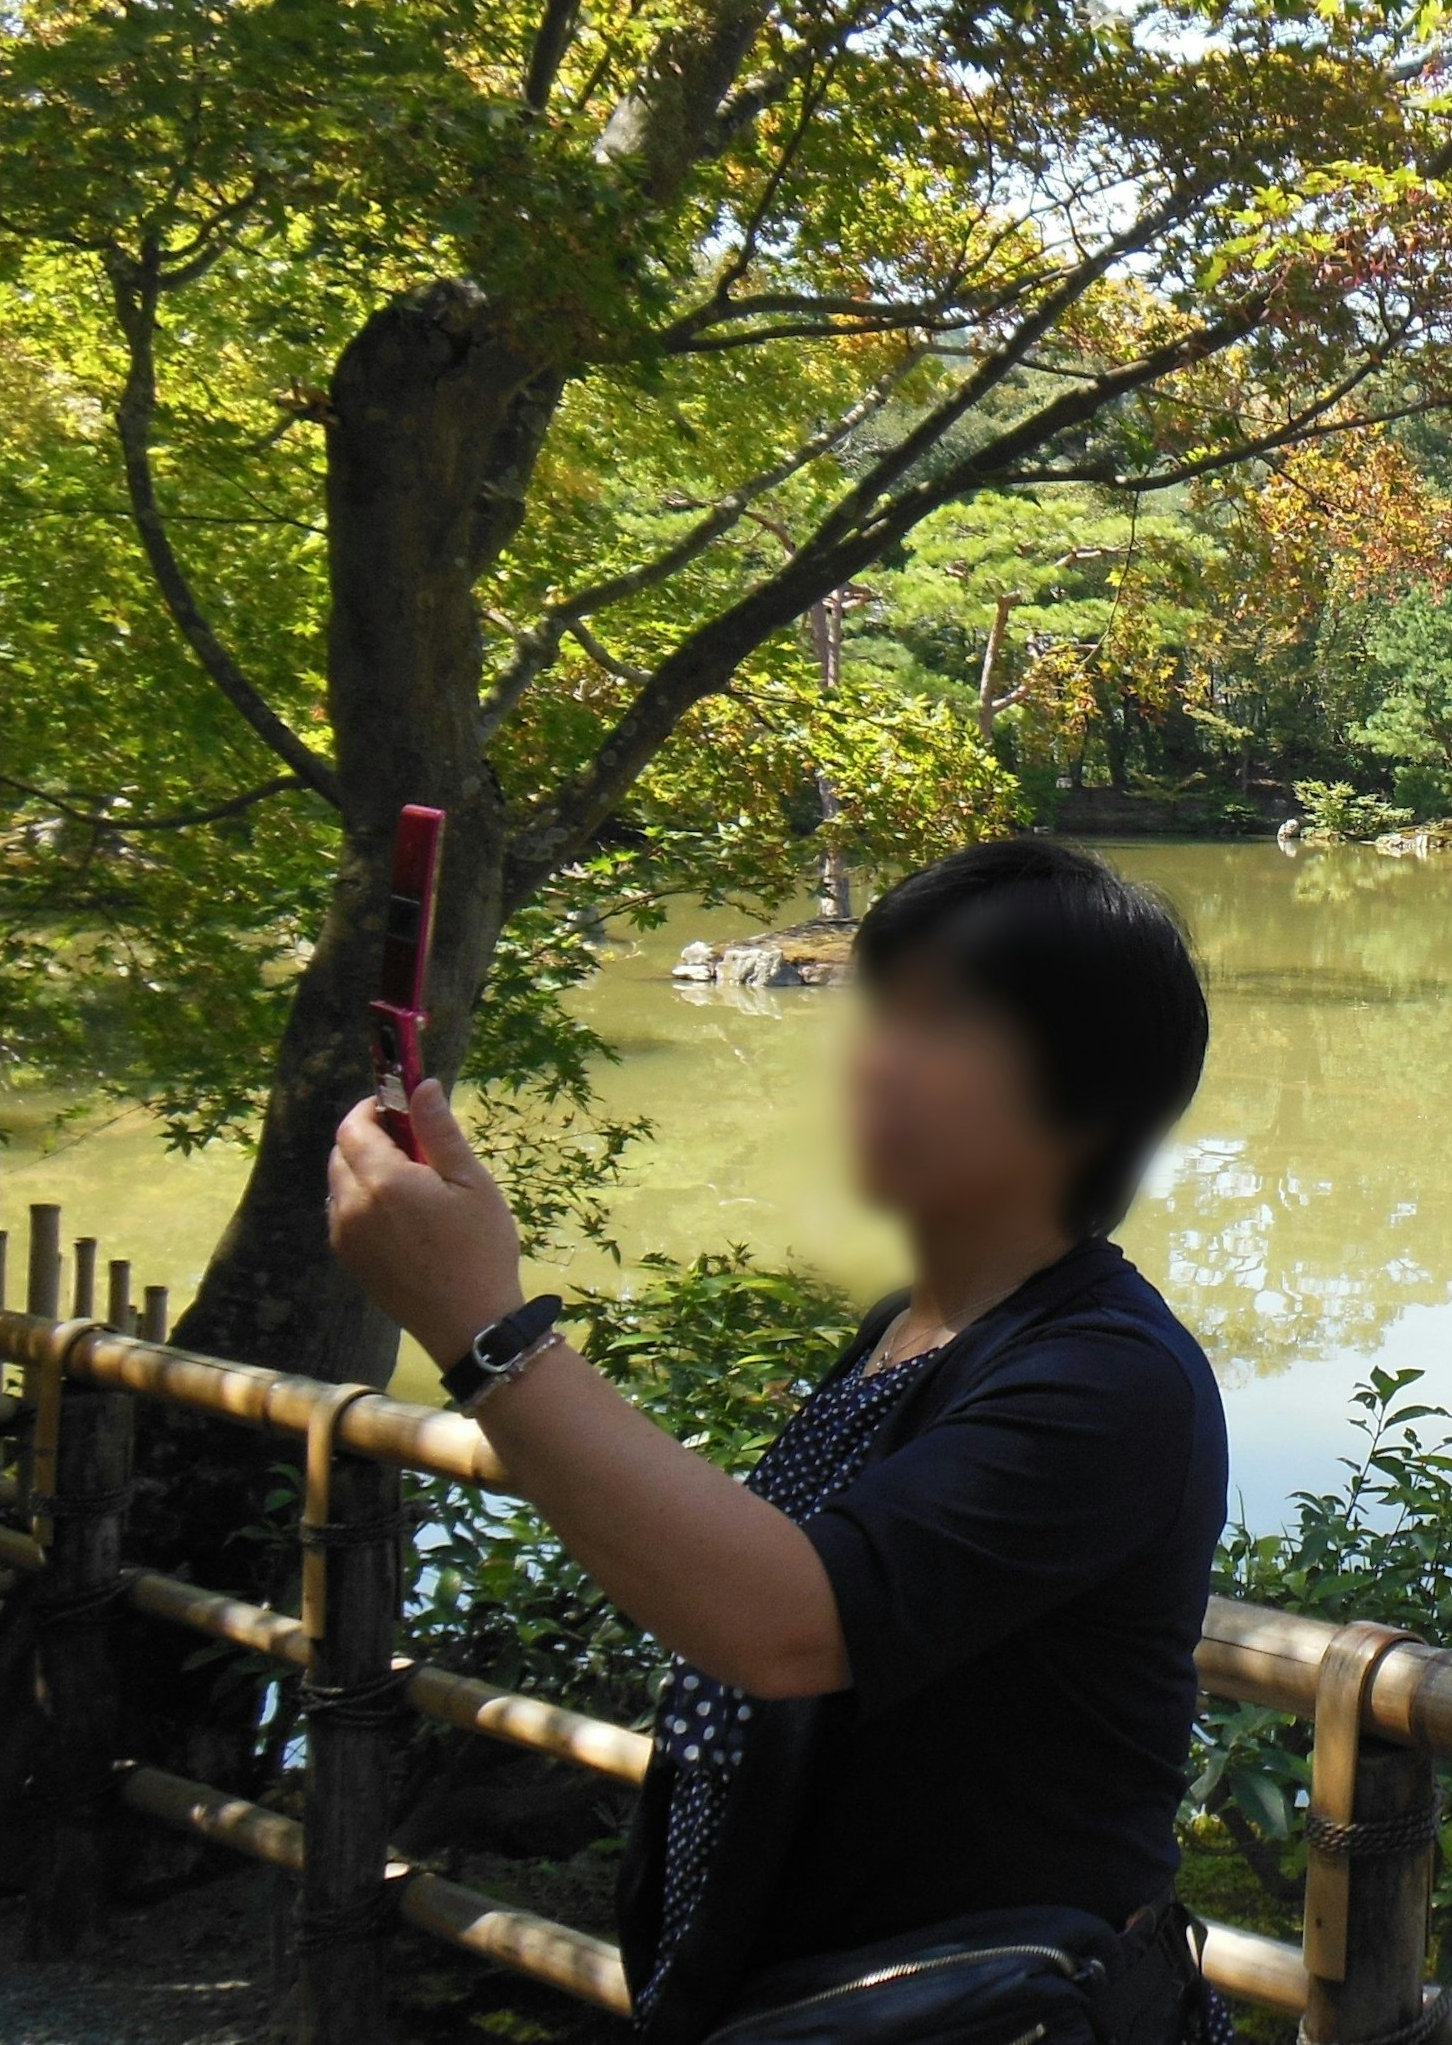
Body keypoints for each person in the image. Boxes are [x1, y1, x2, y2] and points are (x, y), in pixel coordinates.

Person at [326, 838, 1227, 2045]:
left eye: (935, 1022)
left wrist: (484, 1330)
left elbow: (788, 1620)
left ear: (1086, 1094)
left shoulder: (1111, 1379)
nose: (865, 1057)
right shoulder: (913, 1328)